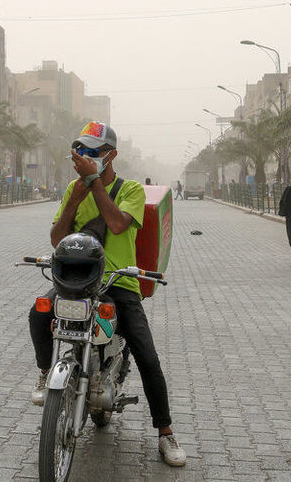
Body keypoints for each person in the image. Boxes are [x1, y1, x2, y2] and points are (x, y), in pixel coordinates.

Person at [27, 121, 186, 467]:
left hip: (118, 283)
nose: (85, 157)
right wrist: (77, 195)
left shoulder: (131, 190)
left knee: (147, 356)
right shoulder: (74, 189)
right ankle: (44, 371)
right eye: (81, 150)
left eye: (93, 152)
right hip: (75, 282)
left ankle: (165, 431)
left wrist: (95, 184)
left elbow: (116, 224)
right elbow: (57, 238)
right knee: (39, 312)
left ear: (110, 155)